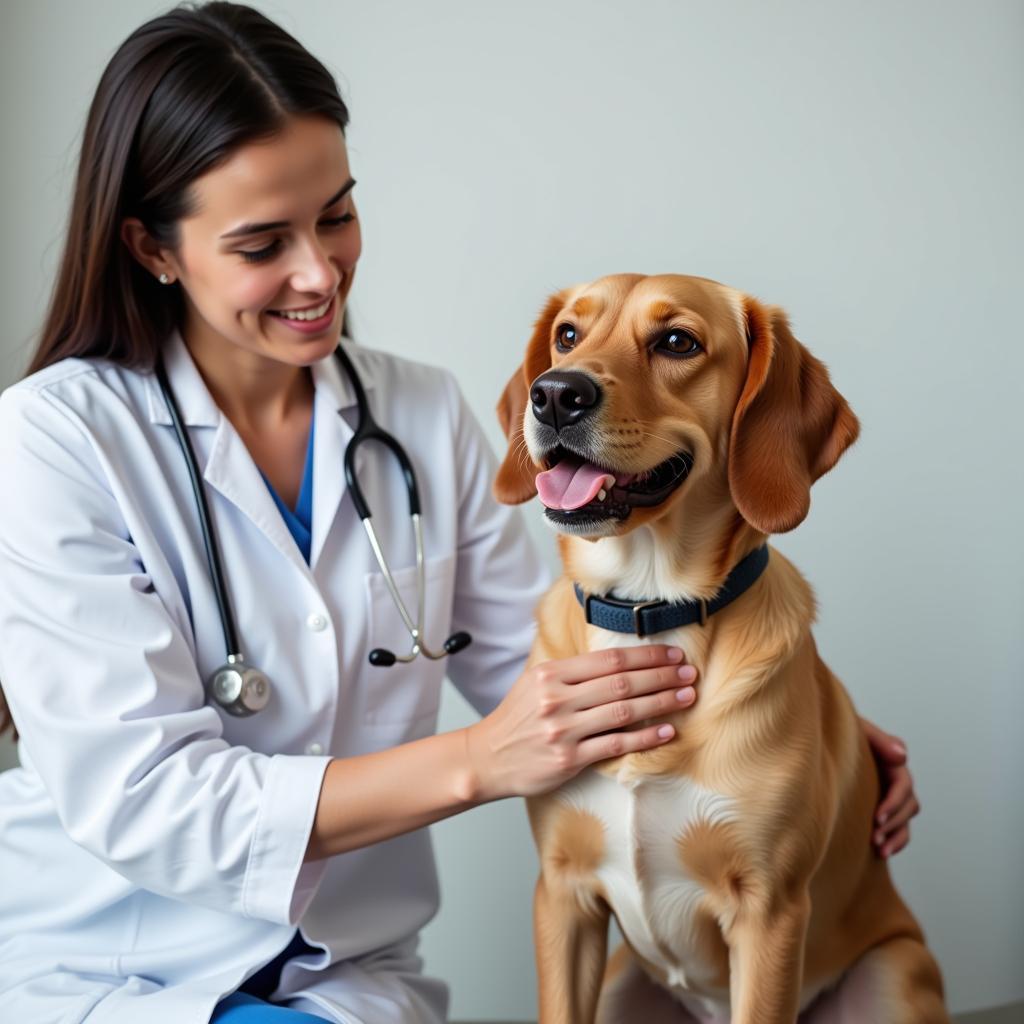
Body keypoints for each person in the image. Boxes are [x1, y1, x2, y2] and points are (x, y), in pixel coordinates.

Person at [0, 4, 920, 1022]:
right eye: (263, 242)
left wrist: (812, 733)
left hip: (338, 974)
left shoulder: (417, 412)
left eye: (336, 216)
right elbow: (145, 798)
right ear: (153, 247)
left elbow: (557, 671)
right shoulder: (53, 439)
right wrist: (478, 761)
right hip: (106, 963)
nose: (320, 274)